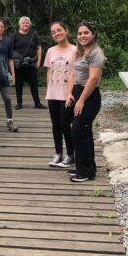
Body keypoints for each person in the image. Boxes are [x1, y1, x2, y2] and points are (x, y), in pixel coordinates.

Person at [66, 21, 105, 182]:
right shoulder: (82, 52)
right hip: (78, 92)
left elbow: (93, 78)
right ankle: (87, 167)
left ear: (93, 34)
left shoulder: (96, 53)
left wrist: (81, 101)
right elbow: (74, 74)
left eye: (86, 33)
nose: (82, 36)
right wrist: (70, 94)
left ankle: (85, 172)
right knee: (84, 131)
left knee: (78, 131)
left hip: (89, 96)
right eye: (80, 33)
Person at [44, 21, 76, 168]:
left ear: (66, 31)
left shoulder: (75, 50)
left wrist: (71, 93)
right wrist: (48, 90)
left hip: (67, 93)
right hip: (53, 93)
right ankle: (58, 153)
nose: (57, 34)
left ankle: (71, 154)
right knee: (55, 124)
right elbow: (49, 71)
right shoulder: (51, 51)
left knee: (65, 124)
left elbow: (75, 73)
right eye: (53, 32)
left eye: (59, 30)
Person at [11, 16, 45, 110]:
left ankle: (37, 103)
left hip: (31, 64)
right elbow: (10, 50)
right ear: (20, 24)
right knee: (19, 85)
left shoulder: (33, 35)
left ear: (29, 24)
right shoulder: (14, 36)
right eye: (23, 23)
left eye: (27, 23)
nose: (25, 24)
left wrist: (39, 60)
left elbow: (39, 47)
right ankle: (19, 103)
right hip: (19, 65)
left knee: (34, 84)